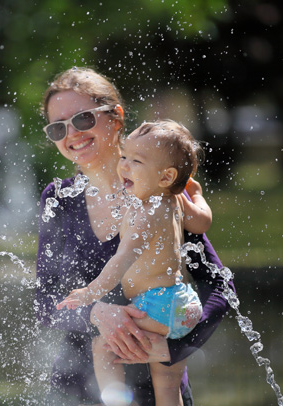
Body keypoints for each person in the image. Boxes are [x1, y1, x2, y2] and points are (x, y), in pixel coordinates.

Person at [35, 67, 233, 406]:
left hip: (156, 393)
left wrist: (175, 347)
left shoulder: (159, 190)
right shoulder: (58, 200)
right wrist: (95, 312)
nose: (72, 134)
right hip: (76, 390)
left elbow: (219, 287)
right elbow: (44, 300)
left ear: (115, 117)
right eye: (58, 128)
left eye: (83, 119)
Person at [56, 119, 209, 405]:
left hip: (157, 305)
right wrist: (197, 196)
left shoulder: (144, 212)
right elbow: (201, 223)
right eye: (124, 156)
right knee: (167, 388)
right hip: (184, 304)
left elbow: (121, 260)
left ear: (165, 177)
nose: (123, 165)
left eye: (135, 161)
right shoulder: (173, 198)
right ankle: (169, 371)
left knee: (104, 348)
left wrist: (89, 293)